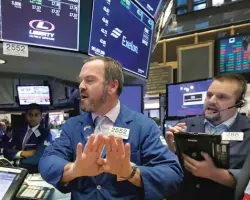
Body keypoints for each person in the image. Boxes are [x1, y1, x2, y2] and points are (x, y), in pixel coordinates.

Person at [38, 56, 183, 200]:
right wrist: (74, 169)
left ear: (113, 86)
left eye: (89, 80)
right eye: (81, 80)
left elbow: (172, 173)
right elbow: (47, 160)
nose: (81, 86)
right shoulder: (73, 126)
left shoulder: (144, 126)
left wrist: (131, 172)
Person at [166, 74, 250, 200]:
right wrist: (172, 150)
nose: (211, 101)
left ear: (238, 103)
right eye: (209, 95)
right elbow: (170, 170)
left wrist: (214, 174)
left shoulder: (248, 131)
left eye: (222, 97)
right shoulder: (186, 125)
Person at [4, 103, 50, 173]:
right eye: (30, 115)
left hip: (34, 172)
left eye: (36, 115)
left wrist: (18, 160)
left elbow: (38, 157)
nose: (33, 118)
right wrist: (22, 153)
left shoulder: (45, 134)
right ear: (26, 116)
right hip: (16, 171)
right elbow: (6, 150)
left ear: (41, 117)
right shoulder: (19, 131)